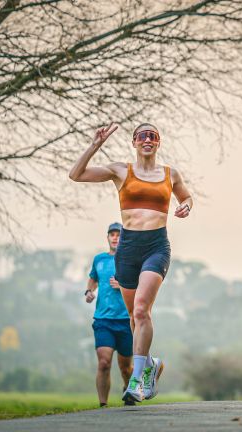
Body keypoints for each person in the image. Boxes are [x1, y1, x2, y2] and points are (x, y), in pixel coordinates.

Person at [70, 123, 193, 404]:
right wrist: (95, 145)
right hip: (127, 248)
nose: (147, 140)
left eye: (153, 136)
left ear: (158, 142)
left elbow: (185, 196)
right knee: (132, 317)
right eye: (142, 136)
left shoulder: (170, 174)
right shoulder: (120, 170)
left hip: (156, 247)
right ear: (134, 142)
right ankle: (150, 364)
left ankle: (138, 381)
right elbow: (76, 175)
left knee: (141, 310)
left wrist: (187, 205)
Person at [85, 222, 133, 407]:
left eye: (119, 234)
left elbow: (140, 286)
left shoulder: (131, 260)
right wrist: (89, 291)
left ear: (124, 238)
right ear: (107, 238)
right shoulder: (99, 260)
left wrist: (122, 286)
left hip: (126, 321)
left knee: (126, 368)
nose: (115, 237)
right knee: (104, 363)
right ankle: (103, 405)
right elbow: (93, 278)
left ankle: (128, 391)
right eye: (112, 234)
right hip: (103, 320)